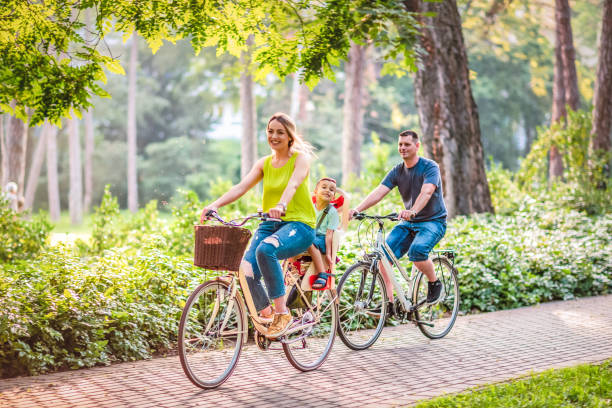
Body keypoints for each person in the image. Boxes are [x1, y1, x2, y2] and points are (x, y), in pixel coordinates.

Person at [200, 112, 316, 338]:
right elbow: (240, 188)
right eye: (270, 131)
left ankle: (283, 315)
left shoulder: (300, 159)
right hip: (270, 224)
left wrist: (281, 205)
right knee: (245, 269)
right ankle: (269, 316)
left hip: (300, 225)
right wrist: (214, 205)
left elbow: (292, 185)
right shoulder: (264, 163)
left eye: (280, 132)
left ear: (290, 136)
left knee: (266, 249)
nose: (274, 136)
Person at [349, 130, 447, 313]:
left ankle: (434, 282)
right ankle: (390, 303)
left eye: (407, 144)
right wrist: (357, 209)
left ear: (417, 146)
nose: (402, 148)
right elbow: (379, 191)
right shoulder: (397, 171)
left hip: (433, 221)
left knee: (417, 252)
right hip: (408, 223)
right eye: (400, 144)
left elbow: (426, 192)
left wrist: (413, 211)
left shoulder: (430, 167)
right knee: (382, 257)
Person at [309, 177, 341, 289]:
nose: (328, 190)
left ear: (333, 197)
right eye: (324, 187)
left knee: (309, 241)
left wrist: (329, 253)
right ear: (315, 191)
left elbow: (329, 235)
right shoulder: (310, 208)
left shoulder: (332, 212)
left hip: (322, 239)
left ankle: (322, 274)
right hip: (310, 235)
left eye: (331, 190)